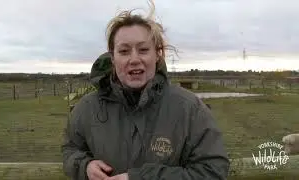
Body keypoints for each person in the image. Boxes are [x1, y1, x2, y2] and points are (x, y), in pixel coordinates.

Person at [62, 2, 230, 180]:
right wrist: (84, 166)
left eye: (143, 50)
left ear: (157, 54)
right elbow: (70, 150)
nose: (134, 59)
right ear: (112, 58)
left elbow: (213, 171)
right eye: (124, 51)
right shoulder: (87, 108)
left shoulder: (190, 109)